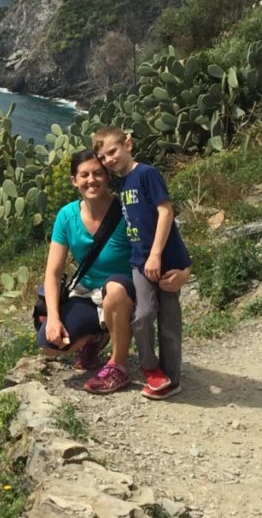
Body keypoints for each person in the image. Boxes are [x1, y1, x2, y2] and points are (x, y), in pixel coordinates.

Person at [39, 149, 188, 395]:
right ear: (73, 180)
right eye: (84, 175)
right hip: (89, 293)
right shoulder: (67, 216)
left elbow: (167, 237)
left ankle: (118, 365)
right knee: (49, 345)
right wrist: (53, 318)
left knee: (115, 289)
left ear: (108, 177)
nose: (91, 180)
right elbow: (53, 273)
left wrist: (185, 271)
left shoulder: (126, 210)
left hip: (126, 291)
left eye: (98, 173)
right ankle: (97, 338)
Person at [94, 125, 192, 400]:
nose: (109, 160)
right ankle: (151, 368)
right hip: (140, 262)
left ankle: (172, 378)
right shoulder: (123, 182)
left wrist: (157, 254)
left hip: (165, 259)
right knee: (144, 314)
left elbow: (166, 212)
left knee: (170, 320)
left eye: (112, 151)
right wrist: (147, 258)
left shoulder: (147, 174)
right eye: (103, 157)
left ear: (128, 144)